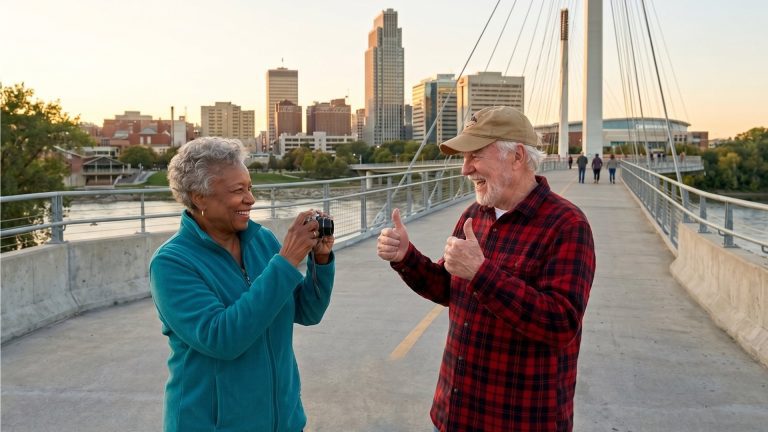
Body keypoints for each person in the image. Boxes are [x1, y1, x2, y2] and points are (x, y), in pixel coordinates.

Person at [377, 106, 596, 432]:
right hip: (454, 414)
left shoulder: (567, 225)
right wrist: (406, 256)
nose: (465, 169)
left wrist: (482, 273)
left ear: (517, 156)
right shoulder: (474, 215)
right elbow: (448, 287)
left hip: (517, 420)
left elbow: (560, 324)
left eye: (476, 155)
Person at [150, 137, 335, 432]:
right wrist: (286, 262)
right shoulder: (172, 263)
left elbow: (307, 312)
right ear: (199, 197)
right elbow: (223, 339)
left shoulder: (261, 240)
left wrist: (321, 262)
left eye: (249, 187)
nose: (250, 199)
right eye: (238, 190)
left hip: (284, 422)